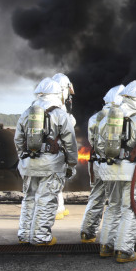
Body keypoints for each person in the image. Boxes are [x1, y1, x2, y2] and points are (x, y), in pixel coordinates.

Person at [97, 80, 136, 262]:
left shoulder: (107, 119)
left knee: (113, 207)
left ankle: (106, 246)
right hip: (132, 173)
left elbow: (99, 145)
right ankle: (124, 251)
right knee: (131, 210)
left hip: (110, 171)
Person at [14, 77, 78, 246]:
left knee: (29, 198)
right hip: (51, 165)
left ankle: (24, 234)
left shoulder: (27, 112)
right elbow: (70, 142)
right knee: (46, 200)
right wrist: (71, 163)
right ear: (58, 94)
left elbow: (18, 139)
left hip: (28, 164)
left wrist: (23, 158)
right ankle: (41, 237)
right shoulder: (60, 114)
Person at [80, 84, 125, 243]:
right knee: (115, 203)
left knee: (96, 197)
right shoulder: (120, 116)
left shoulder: (95, 118)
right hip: (113, 165)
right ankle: (110, 240)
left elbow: (92, 141)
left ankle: (87, 232)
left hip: (96, 163)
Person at [51, 73, 76, 220]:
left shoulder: (41, 105)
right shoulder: (57, 107)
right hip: (54, 150)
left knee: (57, 180)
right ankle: (55, 210)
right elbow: (65, 131)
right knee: (54, 181)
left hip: (48, 151)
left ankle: (60, 206)